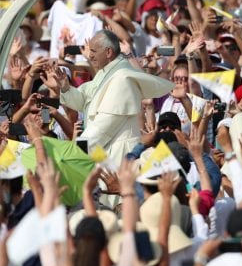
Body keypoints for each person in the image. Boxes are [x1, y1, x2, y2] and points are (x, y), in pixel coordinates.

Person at [54, 29, 173, 168]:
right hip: (105, 151)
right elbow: (83, 101)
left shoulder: (122, 78)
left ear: (108, 52)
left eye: (93, 51)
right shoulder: (106, 72)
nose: (89, 56)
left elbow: (102, 128)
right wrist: (65, 88)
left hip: (119, 156)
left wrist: (72, 152)